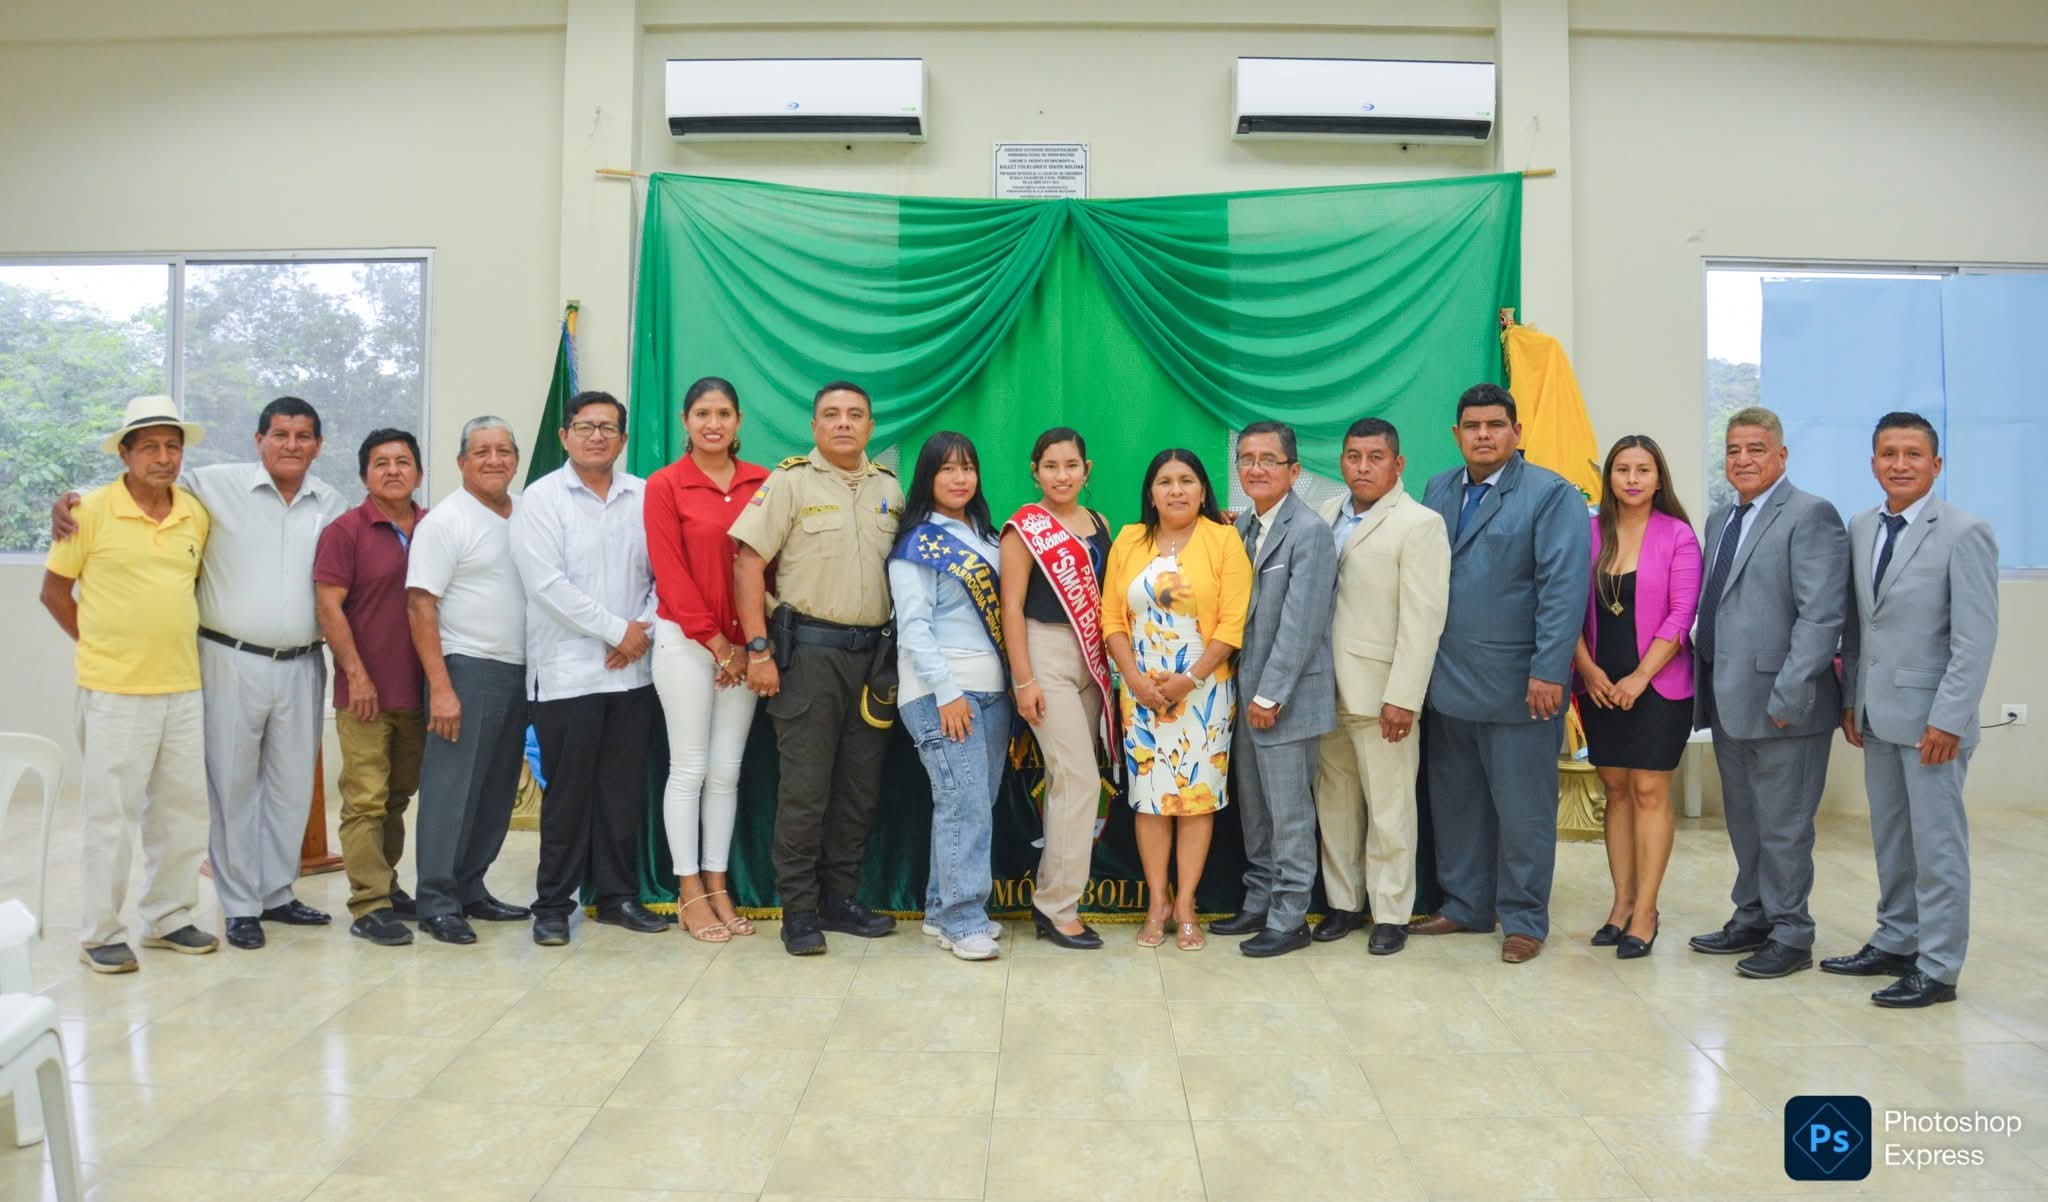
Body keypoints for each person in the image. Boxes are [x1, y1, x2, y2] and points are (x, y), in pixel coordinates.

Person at [58, 396, 349, 950]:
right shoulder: (212, 486)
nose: (291, 445)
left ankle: (276, 893)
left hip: (302, 663)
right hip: (228, 658)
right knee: (230, 785)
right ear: (259, 440)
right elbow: (142, 484)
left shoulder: (331, 503)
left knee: (291, 788)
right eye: (280, 434)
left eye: (303, 436)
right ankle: (239, 905)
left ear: (317, 446)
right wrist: (72, 499)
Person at [40, 397, 220, 972]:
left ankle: (169, 918)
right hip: (114, 691)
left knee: (182, 811)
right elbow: (53, 592)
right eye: (149, 447)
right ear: (125, 454)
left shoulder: (194, 514)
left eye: (172, 447)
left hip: (183, 687)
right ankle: (100, 933)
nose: (163, 458)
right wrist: (98, 645)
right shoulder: (88, 512)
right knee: (110, 816)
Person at [1412, 383, 1591, 964]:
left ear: (1517, 431)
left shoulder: (1550, 494)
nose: (1483, 435)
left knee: (1523, 811)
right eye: (1472, 426)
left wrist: (1550, 671)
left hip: (1522, 686)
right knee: (1457, 802)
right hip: (1448, 681)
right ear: (1456, 434)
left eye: (1495, 425)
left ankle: (1524, 919)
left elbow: (1563, 589)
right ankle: (1466, 904)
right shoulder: (1438, 488)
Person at [1825, 412, 1997, 1008]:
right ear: (1873, 462)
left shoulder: (1965, 532)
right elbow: (1857, 625)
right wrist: (1852, 699)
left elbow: (1975, 638)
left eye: (1913, 454)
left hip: (1932, 723)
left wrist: (1949, 718)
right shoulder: (1860, 526)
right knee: (1892, 838)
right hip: (1876, 714)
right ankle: (1897, 939)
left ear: (1936, 464)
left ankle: (1939, 966)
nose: (1900, 464)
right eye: (1889, 454)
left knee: (1937, 848)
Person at [729, 381, 905, 956]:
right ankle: (799, 911)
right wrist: (759, 650)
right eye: (832, 414)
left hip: (874, 658)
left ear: (870, 426)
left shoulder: (890, 488)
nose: (844, 423)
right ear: (814, 427)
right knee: (805, 789)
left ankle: (840, 900)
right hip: (809, 655)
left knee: (858, 786)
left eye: (855, 414)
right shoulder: (790, 482)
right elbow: (748, 563)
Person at [1688, 405, 1849, 980]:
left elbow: (1821, 615)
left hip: (1784, 706)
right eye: (1733, 450)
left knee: (1784, 826)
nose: (1743, 459)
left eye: (1756, 449)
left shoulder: (1810, 515)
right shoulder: (1720, 519)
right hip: (1728, 699)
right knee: (1746, 821)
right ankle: (1752, 915)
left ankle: (1791, 933)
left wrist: (1789, 693)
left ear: (1781, 455)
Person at [512, 390, 667, 946]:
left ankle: (617, 897)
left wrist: (643, 629)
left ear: (623, 439)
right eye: (585, 426)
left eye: (607, 428)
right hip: (567, 674)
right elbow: (546, 585)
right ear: (564, 436)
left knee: (622, 793)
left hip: (633, 673)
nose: (596, 436)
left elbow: (665, 574)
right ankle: (553, 905)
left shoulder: (645, 495)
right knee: (569, 795)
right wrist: (618, 631)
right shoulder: (540, 498)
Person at [1102, 449, 1251, 952]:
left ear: (1203, 490)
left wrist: (1189, 679)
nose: (1176, 490)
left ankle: (1186, 904)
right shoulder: (1129, 540)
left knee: (1195, 802)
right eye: (1165, 481)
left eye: (1187, 480)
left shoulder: (1224, 540)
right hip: (1141, 693)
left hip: (1205, 692)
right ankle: (1157, 903)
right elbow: (1111, 619)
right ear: (1151, 493)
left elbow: (1232, 623)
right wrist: (1135, 680)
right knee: (1150, 800)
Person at [1311, 417, 1449, 955]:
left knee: (1390, 810)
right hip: (1325, 690)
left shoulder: (1419, 524)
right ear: (1342, 462)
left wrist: (1403, 697)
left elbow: (1423, 620)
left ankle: (1390, 912)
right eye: (1353, 457)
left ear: (1398, 463)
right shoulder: (1325, 514)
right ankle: (1343, 904)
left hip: (1382, 694)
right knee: (1336, 804)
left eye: (1375, 457)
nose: (1362, 467)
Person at [644, 376, 769, 942]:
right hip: (686, 646)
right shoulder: (666, 485)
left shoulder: (762, 483)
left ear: (738, 421)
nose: (712, 423)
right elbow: (670, 573)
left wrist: (749, 647)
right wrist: (719, 646)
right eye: (702, 413)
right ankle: (688, 889)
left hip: (747, 650)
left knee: (726, 773)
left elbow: (771, 567)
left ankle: (718, 885)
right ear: (685, 421)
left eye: (723, 413)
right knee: (690, 769)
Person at [1208, 422, 1337, 959]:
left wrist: (1270, 696)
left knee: (1289, 815)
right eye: (1247, 459)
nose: (1256, 468)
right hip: (1246, 695)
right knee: (1256, 812)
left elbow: (1302, 624)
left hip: (1285, 701)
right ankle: (1258, 901)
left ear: (1294, 470)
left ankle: (1290, 917)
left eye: (1269, 459)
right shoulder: (1243, 526)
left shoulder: (1309, 531)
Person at [1571, 435, 1700, 960]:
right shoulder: (1587, 533)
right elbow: (1564, 606)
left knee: (1648, 789)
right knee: (1616, 789)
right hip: (1598, 684)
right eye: (1622, 469)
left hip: (1659, 684)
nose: (1631, 479)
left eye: (1642, 470)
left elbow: (1681, 615)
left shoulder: (1678, 535)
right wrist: (1588, 669)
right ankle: (1621, 904)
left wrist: (1640, 677)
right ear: (1610, 477)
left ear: (1658, 477)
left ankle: (1646, 911)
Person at [405, 416, 532, 945]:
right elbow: (420, 605)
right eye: (482, 452)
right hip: (466, 669)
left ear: (516, 459)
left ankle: (471, 887)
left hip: (519, 671)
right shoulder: (446, 522)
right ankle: (436, 900)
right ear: (462, 462)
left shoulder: (525, 513)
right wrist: (441, 687)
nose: (494, 460)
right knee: (451, 790)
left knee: (496, 790)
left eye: (504, 450)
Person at [890, 433, 1012, 962]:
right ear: (928, 477)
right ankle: (964, 921)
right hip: (941, 691)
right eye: (947, 469)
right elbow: (914, 628)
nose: (959, 478)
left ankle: (942, 909)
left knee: (974, 802)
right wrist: (946, 692)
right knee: (963, 803)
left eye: (967, 468)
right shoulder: (917, 542)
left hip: (993, 690)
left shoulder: (987, 537)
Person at [313, 428, 429, 946]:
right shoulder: (345, 532)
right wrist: (355, 674)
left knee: (397, 797)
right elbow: (328, 607)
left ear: (419, 473)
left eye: (403, 461)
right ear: (364, 475)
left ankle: (388, 883)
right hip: (365, 693)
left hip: (420, 692)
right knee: (365, 799)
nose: (393, 471)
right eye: (381, 463)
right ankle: (368, 904)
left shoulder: (434, 527)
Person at [1000, 428, 1112, 951]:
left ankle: (1056, 899)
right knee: (1078, 779)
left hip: (1092, 657)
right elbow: (1011, 607)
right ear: (1035, 471)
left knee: (1070, 782)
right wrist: (1024, 679)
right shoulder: (1023, 529)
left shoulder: (1100, 523)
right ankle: (1057, 908)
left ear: (1087, 469)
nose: (1061, 476)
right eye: (1051, 466)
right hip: (1044, 652)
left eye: (1071, 466)